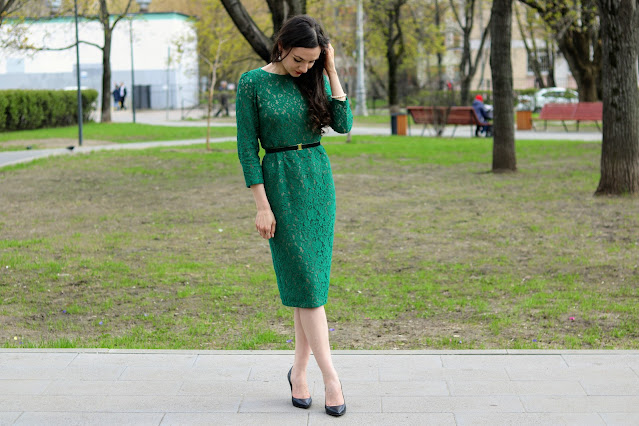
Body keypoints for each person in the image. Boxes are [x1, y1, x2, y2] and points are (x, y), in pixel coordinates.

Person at [236, 15, 352, 417]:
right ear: (282, 46)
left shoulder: (313, 76)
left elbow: (344, 123)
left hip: (317, 181)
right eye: (300, 59)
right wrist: (262, 205)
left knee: (310, 286)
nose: (304, 67)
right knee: (306, 284)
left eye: (313, 61)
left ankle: (299, 371)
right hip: (280, 184)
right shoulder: (251, 83)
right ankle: (331, 377)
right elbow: (247, 149)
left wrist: (331, 71)